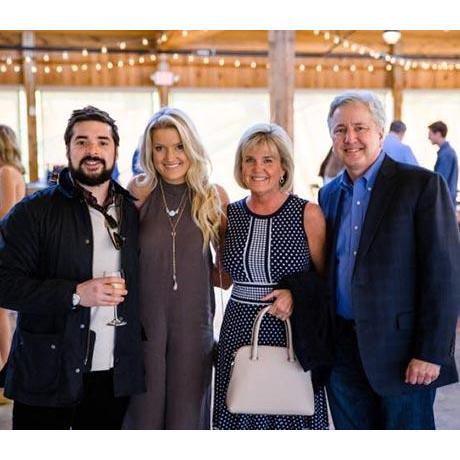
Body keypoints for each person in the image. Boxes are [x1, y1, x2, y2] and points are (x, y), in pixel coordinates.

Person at [319, 90, 460, 430]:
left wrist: (431, 352)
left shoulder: (422, 186)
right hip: (342, 353)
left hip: (404, 353)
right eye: (340, 130)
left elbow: (444, 275)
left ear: (380, 132)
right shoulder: (328, 194)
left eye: (360, 128)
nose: (350, 138)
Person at [0, 106, 145, 429]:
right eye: (82, 142)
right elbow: (4, 284)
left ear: (115, 150)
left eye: (102, 142)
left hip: (113, 376)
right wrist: (74, 293)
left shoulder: (134, 213)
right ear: (68, 149)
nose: (93, 150)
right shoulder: (32, 212)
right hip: (46, 374)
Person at [213, 122, 329, 430]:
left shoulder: (308, 213)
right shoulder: (229, 215)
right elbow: (222, 279)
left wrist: (296, 294)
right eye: (249, 159)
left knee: (290, 410)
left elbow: (327, 281)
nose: (257, 168)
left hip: (289, 328)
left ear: (283, 168)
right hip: (237, 327)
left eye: (268, 160)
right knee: (240, 409)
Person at [122, 107, 229, 430]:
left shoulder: (213, 196)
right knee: (143, 415)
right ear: (149, 151)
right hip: (143, 323)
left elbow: (225, 276)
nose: (170, 156)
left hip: (193, 323)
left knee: (187, 418)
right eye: (160, 148)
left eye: (179, 146)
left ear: (191, 147)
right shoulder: (138, 191)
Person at [0, 124, 26, 404]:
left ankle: (6, 373)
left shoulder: (6, 172)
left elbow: (6, 215)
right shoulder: (11, 171)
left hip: (6, 250)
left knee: (1, 313)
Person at [428, 120, 458, 207]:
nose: (429, 137)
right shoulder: (447, 152)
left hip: (445, 203)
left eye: (430, 134)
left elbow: (440, 180)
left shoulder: (446, 154)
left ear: (438, 134)